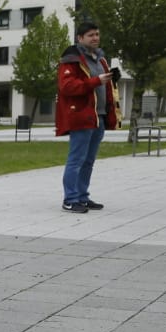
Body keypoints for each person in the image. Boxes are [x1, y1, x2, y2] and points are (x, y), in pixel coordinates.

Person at [56, 21, 119, 214]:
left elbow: (103, 85)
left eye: (97, 34)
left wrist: (110, 78)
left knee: (88, 160)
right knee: (76, 159)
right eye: (91, 35)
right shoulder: (71, 60)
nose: (95, 38)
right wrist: (95, 81)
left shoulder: (100, 60)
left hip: (98, 116)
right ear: (80, 38)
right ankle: (70, 199)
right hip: (81, 116)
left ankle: (82, 197)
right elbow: (67, 87)